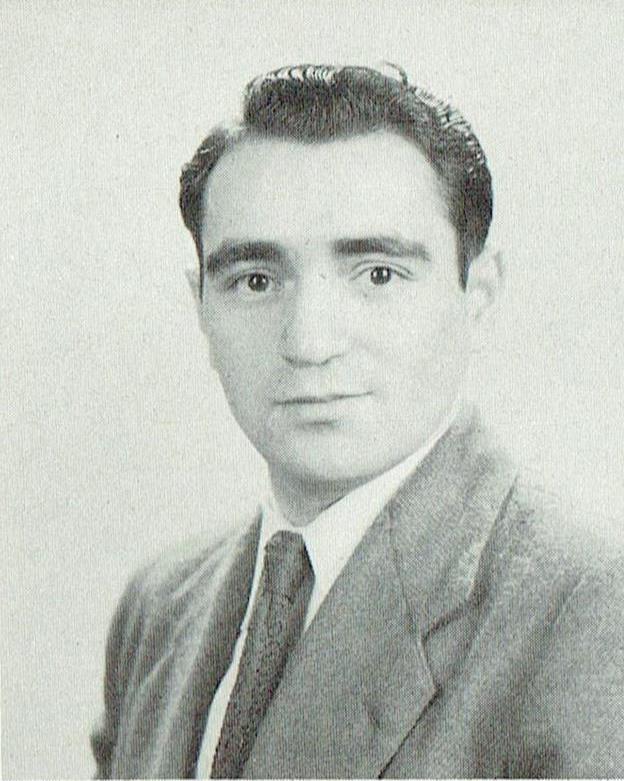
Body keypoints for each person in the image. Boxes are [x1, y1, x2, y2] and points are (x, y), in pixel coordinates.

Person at [91, 64, 624, 779]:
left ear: (478, 295)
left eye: (377, 274)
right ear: (202, 308)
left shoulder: (591, 614)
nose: (309, 342)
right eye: (256, 280)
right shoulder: (160, 607)